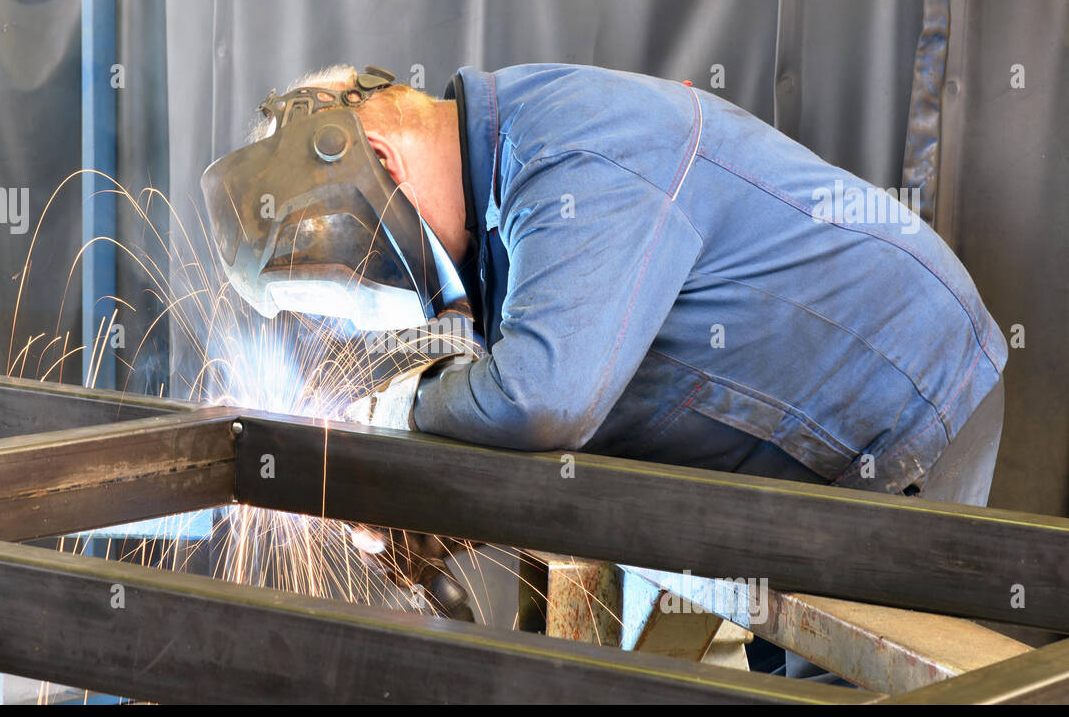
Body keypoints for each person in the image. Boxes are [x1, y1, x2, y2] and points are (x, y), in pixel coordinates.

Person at [201, 63, 1007, 677]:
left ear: (379, 154)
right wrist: (430, 511)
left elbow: (543, 400)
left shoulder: (569, 147)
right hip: (789, 463)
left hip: (906, 400)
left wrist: (393, 414)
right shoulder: (506, 230)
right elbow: (567, 413)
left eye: (375, 278)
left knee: (874, 695)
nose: (412, 308)